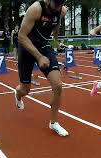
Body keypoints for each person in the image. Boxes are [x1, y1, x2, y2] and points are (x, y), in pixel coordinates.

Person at [14, 0, 69, 136]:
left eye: (61, 4)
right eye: (56, 3)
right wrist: (39, 57)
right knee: (25, 89)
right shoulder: (36, 9)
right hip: (26, 46)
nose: (58, 6)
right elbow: (21, 36)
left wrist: (56, 41)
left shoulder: (61, 10)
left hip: (43, 45)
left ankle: (54, 123)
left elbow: (56, 26)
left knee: (58, 85)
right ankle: (17, 94)